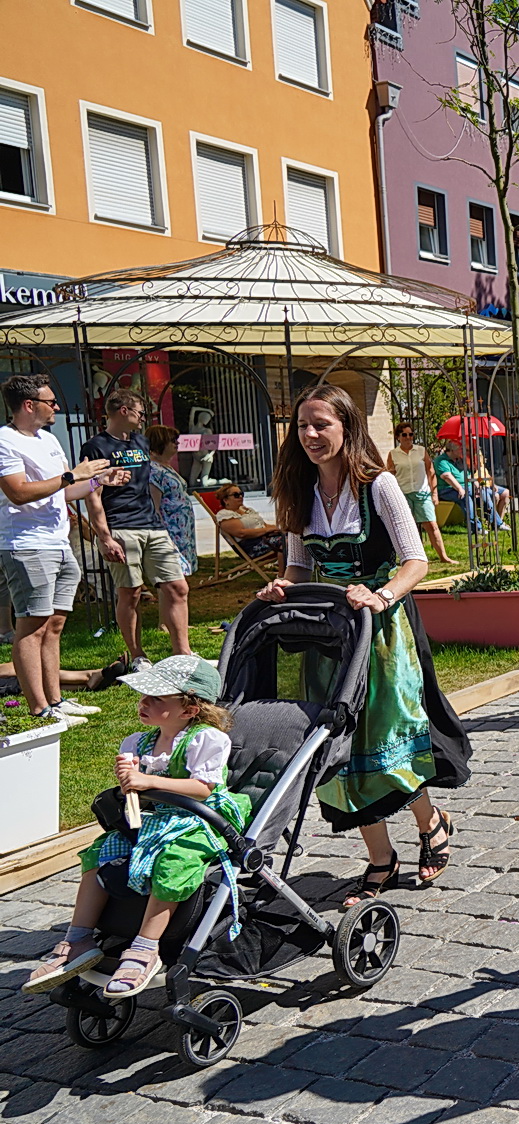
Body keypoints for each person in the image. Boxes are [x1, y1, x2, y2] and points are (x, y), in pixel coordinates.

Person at [258, 383, 471, 906]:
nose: (310, 435)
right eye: (302, 426)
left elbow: (415, 561)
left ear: (347, 428)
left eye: (321, 425)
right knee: (334, 747)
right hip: (326, 634)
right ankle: (380, 857)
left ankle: (431, 821)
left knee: (385, 738)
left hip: (380, 633)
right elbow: (299, 564)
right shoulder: (298, 491)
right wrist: (283, 585)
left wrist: (381, 595)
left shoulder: (378, 487)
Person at [21, 655, 249, 998]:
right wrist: (129, 782)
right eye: (144, 695)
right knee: (99, 851)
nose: (143, 703)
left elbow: (204, 789)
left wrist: (144, 781)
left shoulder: (207, 740)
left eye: (156, 698)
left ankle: (146, 947)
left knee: (174, 861)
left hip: (199, 818)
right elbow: (140, 791)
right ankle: (78, 938)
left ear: (189, 709)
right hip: (156, 816)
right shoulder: (138, 743)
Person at [0, 374, 118, 724]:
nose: (56, 406)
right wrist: (73, 476)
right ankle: (40, 708)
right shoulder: (5, 441)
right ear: (28, 405)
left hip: (58, 542)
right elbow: (19, 492)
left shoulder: (49, 440)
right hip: (27, 545)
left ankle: (57, 700)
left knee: (53, 625)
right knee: (31, 626)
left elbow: (64, 492)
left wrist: (97, 481)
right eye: (50, 401)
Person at [82, 388, 192, 673]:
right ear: (124, 411)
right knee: (130, 593)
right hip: (120, 526)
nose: (144, 417)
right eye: (141, 411)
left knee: (178, 586)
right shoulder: (96, 447)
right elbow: (92, 495)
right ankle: (138, 656)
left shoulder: (142, 442)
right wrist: (104, 537)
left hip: (153, 526)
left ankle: (183, 653)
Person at [388, 423, 455, 565]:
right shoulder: (393, 454)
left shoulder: (421, 450)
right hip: (403, 494)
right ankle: (410, 559)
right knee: (406, 528)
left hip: (422, 493)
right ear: (398, 437)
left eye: (411, 434)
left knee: (432, 525)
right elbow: (390, 474)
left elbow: (431, 472)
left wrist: (434, 493)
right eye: (404, 435)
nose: (408, 438)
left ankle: (443, 557)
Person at [145, 425, 198, 580]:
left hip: (182, 531)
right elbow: (154, 507)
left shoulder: (167, 466)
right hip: (170, 531)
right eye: (172, 441)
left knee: (181, 577)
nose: (177, 443)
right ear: (160, 443)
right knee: (172, 576)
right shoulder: (153, 470)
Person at [212, 486, 287, 559]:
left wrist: (278, 529)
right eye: (236, 495)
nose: (241, 496)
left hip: (266, 538)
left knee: (292, 537)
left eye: (241, 494)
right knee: (287, 542)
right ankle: (283, 570)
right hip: (252, 546)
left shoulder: (246, 510)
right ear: (225, 500)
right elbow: (241, 533)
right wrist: (266, 530)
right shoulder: (225, 515)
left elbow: (264, 525)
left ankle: (289, 567)